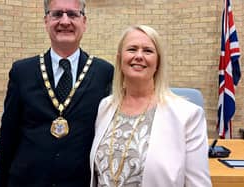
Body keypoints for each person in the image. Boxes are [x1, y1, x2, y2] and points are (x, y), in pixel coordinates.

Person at [0, 0, 113, 186]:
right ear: (46, 21)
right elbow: (9, 135)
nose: (65, 21)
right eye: (57, 14)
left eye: (73, 14)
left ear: (84, 22)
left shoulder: (104, 73)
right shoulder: (22, 71)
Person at [89, 25, 212, 187]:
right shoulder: (105, 106)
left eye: (147, 51)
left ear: (158, 62)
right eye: (132, 49)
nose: (139, 56)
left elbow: (198, 184)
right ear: (119, 59)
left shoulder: (187, 115)